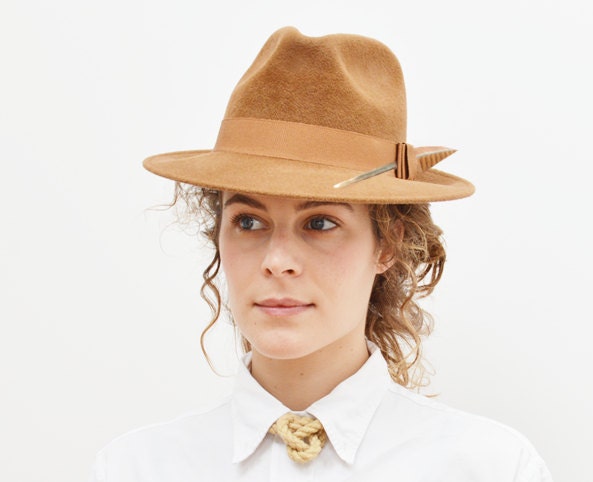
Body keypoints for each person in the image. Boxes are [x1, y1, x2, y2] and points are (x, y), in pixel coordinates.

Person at [88, 26, 553, 481]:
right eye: (248, 221)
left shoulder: (488, 467)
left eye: (320, 223)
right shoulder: (136, 468)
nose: (277, 260)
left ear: (387, 243)